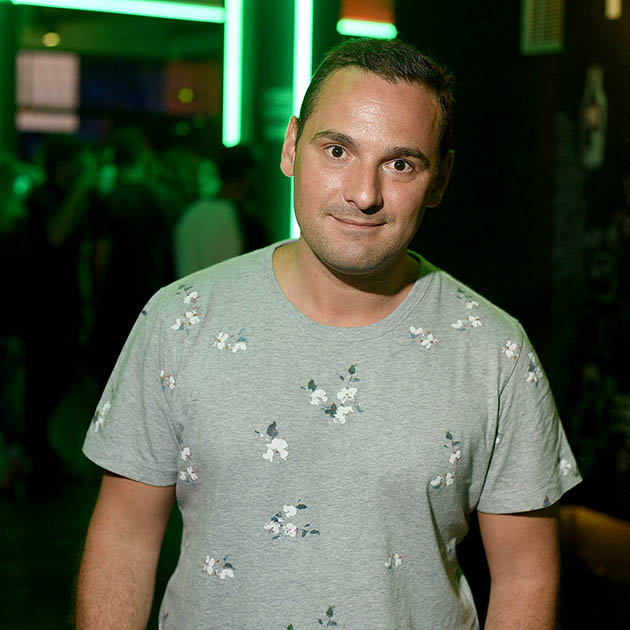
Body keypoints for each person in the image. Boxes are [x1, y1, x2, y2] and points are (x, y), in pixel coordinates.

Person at [76, 38, 581, 629]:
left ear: (440, 179)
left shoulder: (494, 351)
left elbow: (524, 574)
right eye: (337, 150)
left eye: (401, 164)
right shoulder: (180, 320)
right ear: (292, 147)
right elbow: (126, 537)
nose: (364, 194)